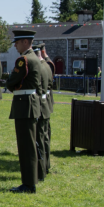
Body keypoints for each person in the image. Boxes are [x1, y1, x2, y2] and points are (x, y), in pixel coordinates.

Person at [5, 30, 42, 193]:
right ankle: (29, 181)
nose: (15, 45)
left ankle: (29, 183)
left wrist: (11, 84)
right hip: (27, 103)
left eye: (17, 42)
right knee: (28, 144)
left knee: (26, 146)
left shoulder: (24, 59)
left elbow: (12, 81)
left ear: (26, 42)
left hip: (24, 104)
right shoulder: (33, 58)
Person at [33, 43, 51, 182]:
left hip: (40, 104)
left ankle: (41, 169)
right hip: (45, 104)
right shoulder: (46, 65)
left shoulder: (39, 66)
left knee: (39, 139)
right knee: (44, 138)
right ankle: (46, 165)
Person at [41, 44, 56, 174]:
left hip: (46, 99)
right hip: (44, 99)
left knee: (45, 133)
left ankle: (45, 161)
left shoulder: (48, 64)